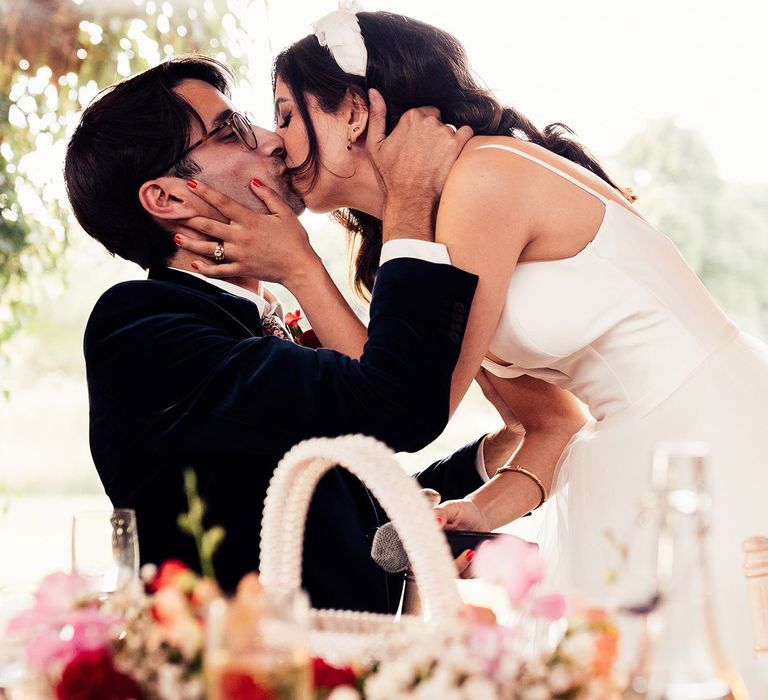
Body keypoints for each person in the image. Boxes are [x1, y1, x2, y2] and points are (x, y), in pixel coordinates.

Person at [176, 8, 768, 666]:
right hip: (631, 450)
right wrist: (478, 511)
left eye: (286, 113)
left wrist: (299, 270)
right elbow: (550, 423)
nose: (277, 142)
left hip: (702, 432)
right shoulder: (427, 234)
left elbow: (409, 400)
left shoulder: (483, 181)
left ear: (352, 111)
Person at [63, 55, 524, 613]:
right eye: (231, 131)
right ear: (169, 198)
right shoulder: (140, 328)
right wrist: (405, 200)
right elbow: (394, 407)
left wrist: (488, 459)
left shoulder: (258, 317)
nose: (271, 139)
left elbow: (341, 492)